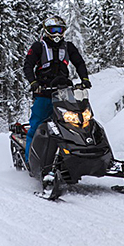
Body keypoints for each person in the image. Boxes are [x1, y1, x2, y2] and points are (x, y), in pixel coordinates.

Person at [23, 15, 91, 163]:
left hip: (64, 93)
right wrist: (33, 83)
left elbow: (79, 63)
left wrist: (84, 79)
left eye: (60, 30)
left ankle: (75, 157)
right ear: (47, 31)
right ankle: (30, 160)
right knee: (37, 125)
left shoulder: (68, 47)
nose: (57, 34)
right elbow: (28, 65)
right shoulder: (38, 47)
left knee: (75, 122)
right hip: (43, 92)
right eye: (53, 30)